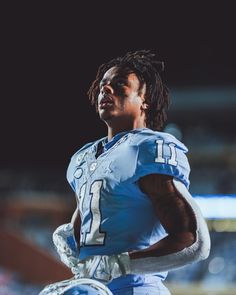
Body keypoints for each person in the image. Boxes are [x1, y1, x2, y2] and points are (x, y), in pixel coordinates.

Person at [40, 50, 211, 295]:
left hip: (136, 289)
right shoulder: (84, 157)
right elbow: (95, 220)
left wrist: (119, 263)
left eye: (119, 85)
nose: (105, 90)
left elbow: (193, 241)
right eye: (103, 86)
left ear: (145, 100)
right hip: (96, 289)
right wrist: (70, 238)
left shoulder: (148, 148)